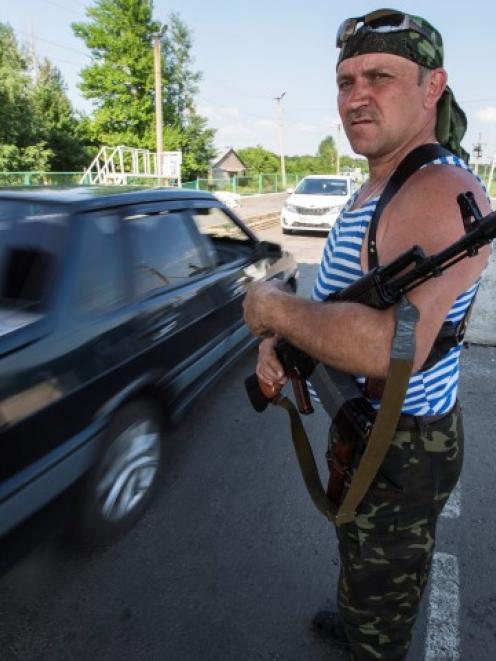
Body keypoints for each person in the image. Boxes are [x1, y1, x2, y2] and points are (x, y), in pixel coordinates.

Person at [243, 9, 491, 661]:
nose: (355, 96)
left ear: (432, 87)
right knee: (359, 547)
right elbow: (330, 306)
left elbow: (388, 346)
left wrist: (269, 308)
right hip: (360, 420)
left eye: (379, 76)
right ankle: (359, 616)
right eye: (345, 80)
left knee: (386, 591)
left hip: (406, 442)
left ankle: (372, 636)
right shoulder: (370, 188)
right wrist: (280, 347)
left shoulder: (442, 190)